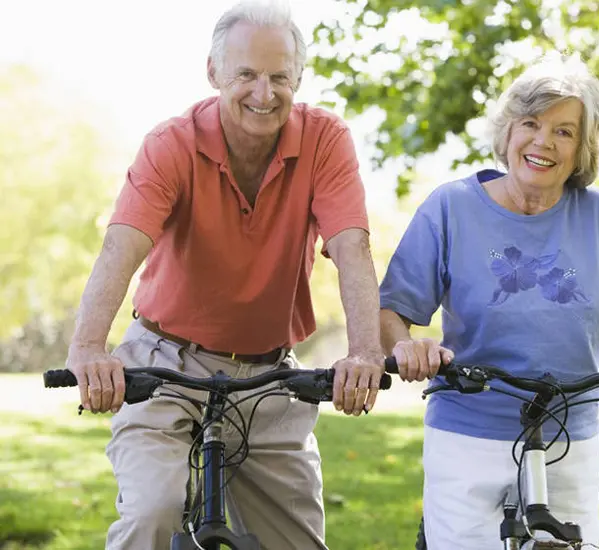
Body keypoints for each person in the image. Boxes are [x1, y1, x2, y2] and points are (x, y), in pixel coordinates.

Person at [64, 2, 384, 548]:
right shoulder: (172, 143)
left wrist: (365, 353)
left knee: (299, 542)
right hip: (165, 361)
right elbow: (123, 246)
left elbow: (351, 247)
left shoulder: (326, 140)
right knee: (153, 511)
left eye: (279, 76)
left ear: (298, 78)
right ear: (214, 73)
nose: (264, 93)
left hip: (268, 373)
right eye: (247, 75)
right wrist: (89, 346)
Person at [379, 52, 599, 549]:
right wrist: (408, 347)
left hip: (568, 438)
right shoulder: (450, 208)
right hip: (467, 433)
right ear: (508, 132)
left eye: (564, 131)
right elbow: (393, 309)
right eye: (530, 123)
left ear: (583, 149)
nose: (542, 141)